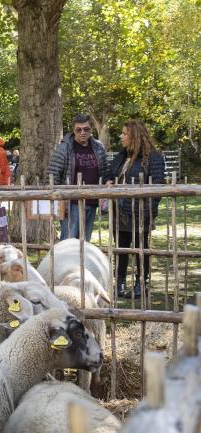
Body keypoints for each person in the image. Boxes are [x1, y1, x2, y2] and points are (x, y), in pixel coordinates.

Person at [108, 120, 165, 299]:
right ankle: (119, 284)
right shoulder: (123, 155)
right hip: (120, 211)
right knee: (121, 249)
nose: (121, 136)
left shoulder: (153, 157)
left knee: (141, 250)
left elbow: (157, 187)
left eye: (125, 134)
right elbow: (110, 174)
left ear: (135, 136)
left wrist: (147, 211)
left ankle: (141, 285)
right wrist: (110, 181)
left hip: (140, 212)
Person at [47, 113, 109, 241]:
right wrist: (57, 201)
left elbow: (104, 172)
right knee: (68, 242)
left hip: (92, 202)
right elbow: (53, 175)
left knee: (85, 242)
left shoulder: (98, 147)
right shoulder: (64, 148)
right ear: (73, 130)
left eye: (86, 129)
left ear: (91, 129)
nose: (82, 133)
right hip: (71, 203)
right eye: (78, 130)